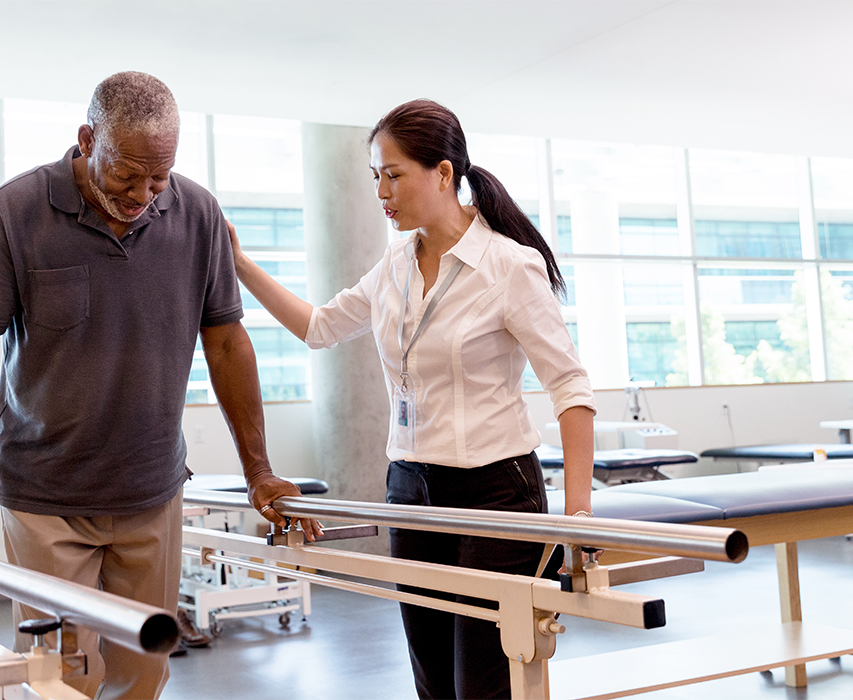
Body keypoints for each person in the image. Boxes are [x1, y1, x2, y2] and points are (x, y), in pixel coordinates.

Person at [0, 71, 319, 700]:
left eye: (158, 178)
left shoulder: (197, 215)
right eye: (127, 175)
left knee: (144, 673)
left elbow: (226, 342)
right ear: (87, 139)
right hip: (46, 497)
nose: (142, 194)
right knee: (61, 676)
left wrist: (260, 470)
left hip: (151, 491)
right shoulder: (14, 212)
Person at [229, 98, 596, 700]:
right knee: (432, 683)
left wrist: (577, 516)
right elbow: (319, 326)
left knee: (482, 685)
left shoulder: (508, 265)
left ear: (444, 173)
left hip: (495, 493)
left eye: (393, 174)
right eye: (375, 175)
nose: (381, 191)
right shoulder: (394, 265)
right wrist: (240, 264)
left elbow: (570, 387)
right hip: (410, 488)